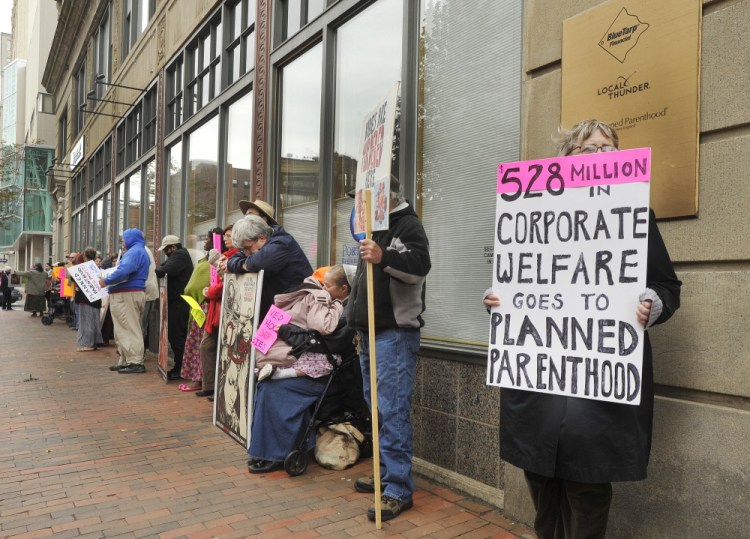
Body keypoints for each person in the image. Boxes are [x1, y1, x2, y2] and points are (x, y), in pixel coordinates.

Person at [483, 119, 682, 539]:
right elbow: (519, 279)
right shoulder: (532, 211)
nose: (599, 156)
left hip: (599, 381)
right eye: (588, 148)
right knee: (539, 474)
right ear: (567, 159)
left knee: (588, 483)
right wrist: (501, 303)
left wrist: (653, 303)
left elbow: (667, 284)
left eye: (608, 149)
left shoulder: (635, 217)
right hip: (542, 380)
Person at [348, 176, 431, 522]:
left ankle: (397, 487)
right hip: (370, 334)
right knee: (377, 409)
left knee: (392, 411)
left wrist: (384, 256)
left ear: (385, 196)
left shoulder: (408, 224)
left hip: (393, 334)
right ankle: (386, 475)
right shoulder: (377, 228)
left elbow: (419, 266)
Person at [247, 264, 357, 474]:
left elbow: (327, 339)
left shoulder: (344, 309)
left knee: (274, 390)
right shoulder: (330, 302)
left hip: (324, 374)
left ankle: (277, 452)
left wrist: (289, 331)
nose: (325, 289)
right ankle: (267, 449)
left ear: (344, 289)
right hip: (313, 364)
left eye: (329, 286)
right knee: (267, 386)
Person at [222, 215, 312, 321]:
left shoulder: (281, 243)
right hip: (277, 311)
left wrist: (245, 265)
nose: (246, 253)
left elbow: (258, 263)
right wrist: (244, 265)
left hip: (294, 312)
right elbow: (233, 260)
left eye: (247, 248)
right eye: (243, 249)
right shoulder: (258, 244)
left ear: (261, 237)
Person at [99, 228, 150, 374]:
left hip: (126, 294)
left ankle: (135, 361)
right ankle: (127, 360)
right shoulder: (140, 251)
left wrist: (106, 281)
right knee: (126, 328)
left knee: (128, 328)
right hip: (131, 293)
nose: (123, 243)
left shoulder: (134, 252)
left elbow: (123, 271)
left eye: (124, 240)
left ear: (131, 239)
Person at [197, 225, 236, 400]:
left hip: (226, 309)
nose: (226, 238)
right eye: (225, 236)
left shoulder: (235, 258)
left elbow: (228, 284)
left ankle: (217, 388)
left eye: (230, 235)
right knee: (208, 347)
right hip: (215, 309)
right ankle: (210, 386)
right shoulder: (224, 257)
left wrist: (209, 292)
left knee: (223, 350)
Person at [179, 230, 221, 391]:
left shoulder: (217, 259)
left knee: (202, 344)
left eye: (208, 239)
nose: (204, 242)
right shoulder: (205, 259)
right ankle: (197, 377)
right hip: (196, 305)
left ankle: (201, 379)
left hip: (206, 305)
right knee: (195, 343)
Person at [154, 235, 194, 381]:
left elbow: (162, 270)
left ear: (173, 247)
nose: (165, 253)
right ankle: (180, 366)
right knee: (176, 335)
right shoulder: (178, 255)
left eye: (166, 250)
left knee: (177, 336)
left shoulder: (179, 255)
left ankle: (181, 368)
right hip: (176, 301)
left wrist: (161, 268)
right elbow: (162, 268)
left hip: (179, 302)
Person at [73, 248, 103, 352]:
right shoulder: (95, 267)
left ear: (85, 255)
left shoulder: (82, 267)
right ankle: (94, 341)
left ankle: (87, 343)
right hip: (95, 298)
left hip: (85, 298)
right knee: (94, 321)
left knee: (86, 321)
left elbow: (72, 276)